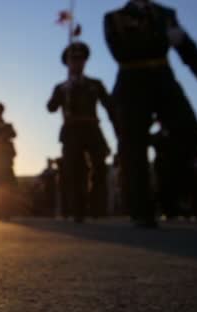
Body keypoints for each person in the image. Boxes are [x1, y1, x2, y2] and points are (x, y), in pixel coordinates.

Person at [104, 0, 197, 227]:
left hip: (164, 80)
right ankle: (141, 209)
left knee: (190, 132)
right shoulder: (114, 17)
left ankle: (170, 192)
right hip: (131, 83)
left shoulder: (166, 13)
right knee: (133, 146)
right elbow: (121, 51)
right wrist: (163, 37)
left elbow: (187, 48)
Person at [47, 42, 117, 222]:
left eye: (80, 60)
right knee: (74, 170)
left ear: (85, 62)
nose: (77, 63)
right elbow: (51, 107)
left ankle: (98, 209)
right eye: (73, 60)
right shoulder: (61, 87)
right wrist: (62, 92)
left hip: (92, 128)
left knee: (100, 167)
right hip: (71, 131)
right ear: (67, 63)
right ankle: (77, 211)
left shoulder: (95, 84)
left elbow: (109, 105)